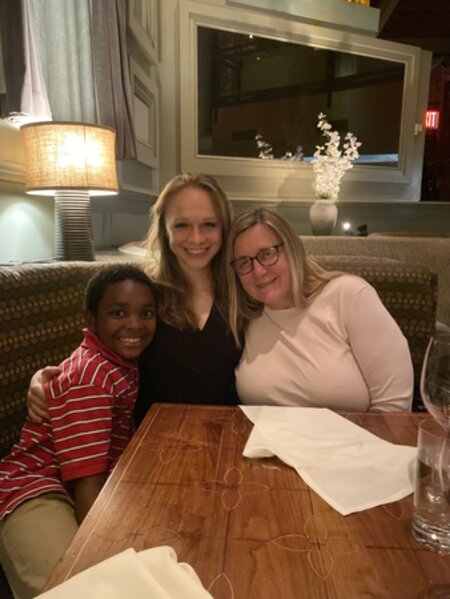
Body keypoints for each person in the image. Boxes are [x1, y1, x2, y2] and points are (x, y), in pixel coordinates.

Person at [27, 174, 242, 427]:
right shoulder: (142, 292)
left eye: (209, 224)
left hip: (228, 433)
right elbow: (95, 351)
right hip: (151, 437)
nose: (196, 238)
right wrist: (45, 378)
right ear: (164, 229)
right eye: (181, 225)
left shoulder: (243, 291)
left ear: (225, 228)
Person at [0, 264, 157, 598]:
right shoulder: (92, 377)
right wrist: (106, 551)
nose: (135, 324)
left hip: (84, 483)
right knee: (69, 588)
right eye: (118, 313)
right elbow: (87, 482)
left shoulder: (118, 361)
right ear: (91, 319)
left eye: (146, 313)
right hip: (33, 489)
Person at [226, 208, 414, 412]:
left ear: (292, 250)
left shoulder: (348, 295)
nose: (258, 271)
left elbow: (394, 406)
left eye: (267, 254)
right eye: (244, 262)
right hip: (263, 434)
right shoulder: (246, 317)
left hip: (354, 433)